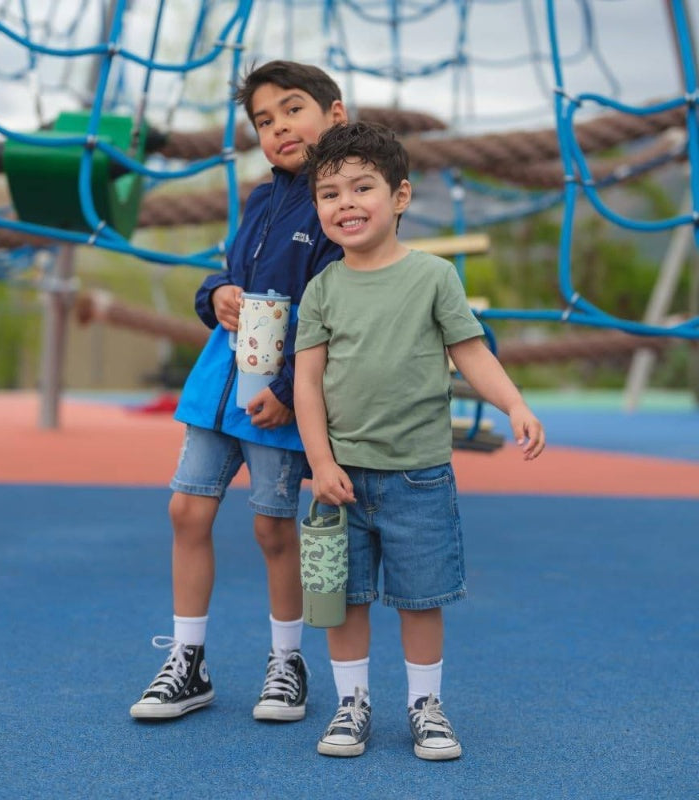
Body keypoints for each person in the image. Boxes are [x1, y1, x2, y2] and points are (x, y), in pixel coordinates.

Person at [294, 121, 545, 759]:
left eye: (361, 187)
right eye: (329, 193)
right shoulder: (322, 289)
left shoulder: (433, 277)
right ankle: (351, 705)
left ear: (400, 196)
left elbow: (470, 352)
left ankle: (425, 706)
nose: (345, 202)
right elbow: (307, 384)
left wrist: (512, 401)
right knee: (341, 601)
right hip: (339, 480)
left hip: (419, 475)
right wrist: (319, 462)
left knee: (420, 597)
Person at [130, 61, 347, 723]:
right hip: (220, 380)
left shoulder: (341, 202)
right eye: (264, 119)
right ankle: (188, 660)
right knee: (186, 513)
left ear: (334, 114)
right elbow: (228, 275)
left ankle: (287, 662)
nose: (278, 127)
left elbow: (337, 309)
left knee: (271, 527)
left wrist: (286, 389)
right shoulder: (260, 199)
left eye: (292, 109)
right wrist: (214, 294)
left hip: (280, 395)